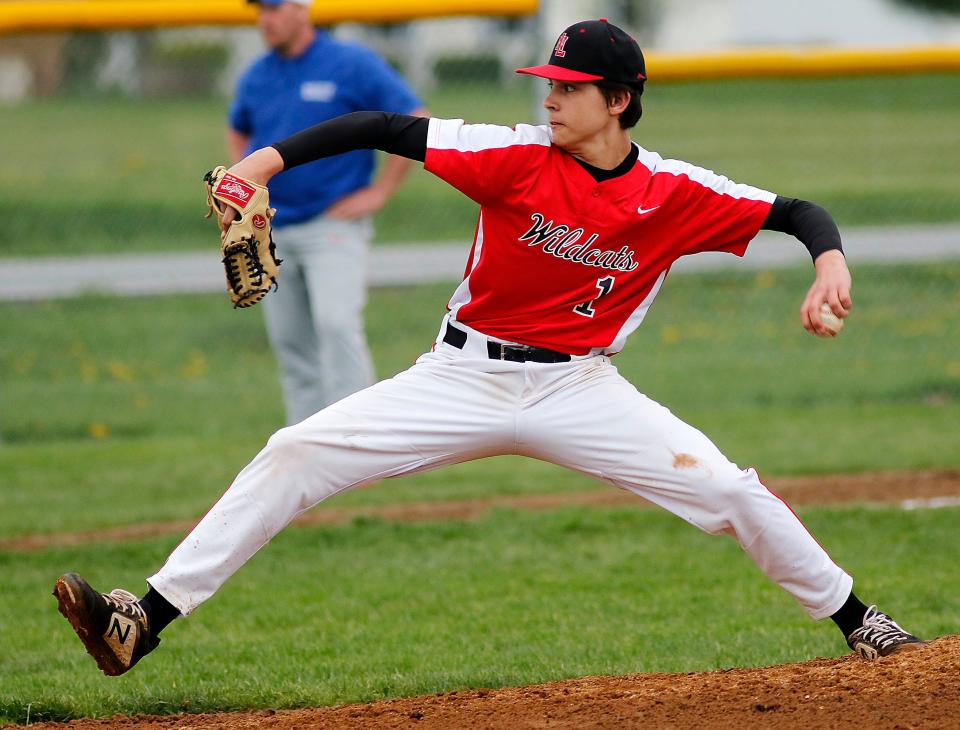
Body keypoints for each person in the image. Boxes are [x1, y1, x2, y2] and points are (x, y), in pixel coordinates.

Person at [54, 19, 924, 677]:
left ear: (619, 99)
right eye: (548, 82)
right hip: (460, 374)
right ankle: (143, 621)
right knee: (296, 449)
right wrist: (265, 165)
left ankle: (862, 622)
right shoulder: (511, 155)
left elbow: (797, 213)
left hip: (580, 389)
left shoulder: (674, 191)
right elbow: (379, 126)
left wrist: (829, 265)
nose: (549, 98)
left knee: (728, 488)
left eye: (570, 87)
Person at [230, 0, 428, 424]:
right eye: (260, 10)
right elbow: (239, 126)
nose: (265, 19)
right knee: (290, 342)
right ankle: (306, 443)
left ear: (303, 11)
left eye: (274, 8)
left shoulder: (350, 62)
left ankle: (360, 436)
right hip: (272, 227)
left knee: (336, 325)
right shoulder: (256, 73)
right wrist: (243, 190)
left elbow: (415, 117)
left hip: (332, 223)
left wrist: (380, 191)